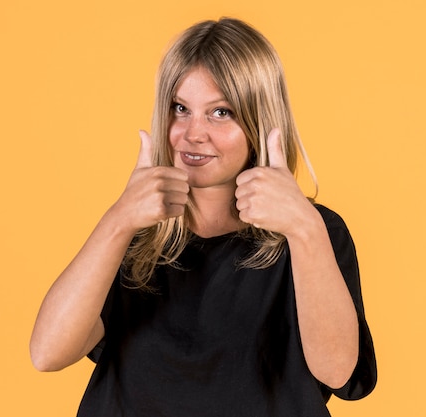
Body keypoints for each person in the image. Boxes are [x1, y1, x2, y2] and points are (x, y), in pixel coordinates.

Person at [30, 17, 376, 417]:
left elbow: (337, 371)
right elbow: (47, 353)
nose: (194, 134)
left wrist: (303, 228)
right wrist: (118, 220)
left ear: (259, 121)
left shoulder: (315, 233)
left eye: (221, 113)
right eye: (181, 109)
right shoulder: (134, 235)